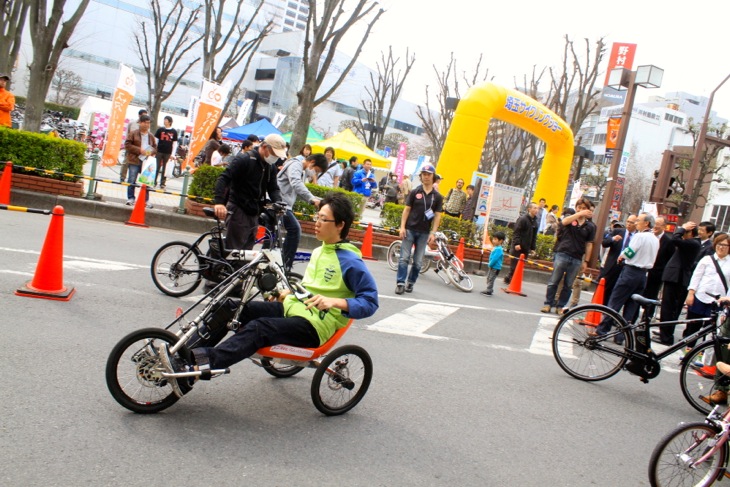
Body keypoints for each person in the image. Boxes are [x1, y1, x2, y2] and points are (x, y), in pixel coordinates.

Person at [157, 193, 379, 394]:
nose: (316, 222)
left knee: (258, 328)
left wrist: (334, 302)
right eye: (317, 216)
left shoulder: (350, 261)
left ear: (340, 225)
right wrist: (285, 294)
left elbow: (370, 302)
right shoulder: (320, 250)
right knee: (229, 307)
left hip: (315, 326)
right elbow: (309, 289)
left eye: (323, 219)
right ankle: (183, 355)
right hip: (294, 309)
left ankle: (198, 365)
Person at [592, 213, 660, 343]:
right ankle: (621, 336)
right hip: (643, 274)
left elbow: (630, 251)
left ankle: (602, 330)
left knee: (615, 301)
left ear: (646, 223)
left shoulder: (640, 236)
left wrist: (622, 256)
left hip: (631, 271)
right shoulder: (655, 239)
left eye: (639, 221)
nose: (636, 223)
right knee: (631, 305)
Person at [213, 134, 287, 250]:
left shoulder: (270, 167)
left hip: (254, 212)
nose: (275, 158)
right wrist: (219, 202)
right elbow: (224, 178)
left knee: (247, 251)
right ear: (264, 147)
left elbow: (273, 188)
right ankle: (218, 267)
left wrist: (279, 202)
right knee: (235, 251)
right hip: (238, 208)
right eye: (274, 154)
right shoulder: (245, 159)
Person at [541, 197, 596, 314]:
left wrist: (586, 261)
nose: (581, 210)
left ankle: (560, 306)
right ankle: (548, 304)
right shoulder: (570, 219)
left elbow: (589, 244)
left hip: (577, 257)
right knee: (554, 280)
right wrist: (579, 214)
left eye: (584, 208)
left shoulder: (590, 226)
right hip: (563, 253)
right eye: (579, 207)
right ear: (576, 208)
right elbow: (564, 222)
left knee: (568, 284)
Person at [395, 164, 443, 295]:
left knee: (418, 262)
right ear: (421, 176)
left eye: (429, 174)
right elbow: (406, 210)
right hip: (410, 229)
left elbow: (437, 216)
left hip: (424, 232)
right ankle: (400, 283)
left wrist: (433, 232)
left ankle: (410, 282)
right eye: (424, 174)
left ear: (433, 177)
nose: (426, 176)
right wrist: (402, 227)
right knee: (404, 258)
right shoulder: (415, 192)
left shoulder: (437, 197)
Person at [276, 153, 328, 271]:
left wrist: (317, 200)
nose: (314, 173)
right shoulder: (296, 165)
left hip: (282, 205)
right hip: (279, 205)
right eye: (316, 170)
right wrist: (312, 199)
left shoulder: (301, 170)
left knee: (273, 238)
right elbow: (296, 184)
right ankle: (285, 265)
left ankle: (275, 265)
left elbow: (298, 191)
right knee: (295, 230)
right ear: (312, 162)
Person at [656, 222, 701, 345]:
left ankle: (666, 336)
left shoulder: (693, 242)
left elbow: (674, 240)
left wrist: (682, 228)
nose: (682, 235)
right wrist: (682, 229)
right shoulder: (691, 243)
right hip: (675, 277)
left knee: (669, 308)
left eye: (685, 233)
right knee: (668, 307)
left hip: (677, 278)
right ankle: (664, 333)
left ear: (690, 233)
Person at [598, 215, 637, 305]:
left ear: (636, 223)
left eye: (632, 222)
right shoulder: (618, 231)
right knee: (605, 289)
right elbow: (604, 243)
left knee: (617, 293)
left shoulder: (638, 236)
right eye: (628, 221)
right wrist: (612, 239)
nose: (629, 224)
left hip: (626, 267)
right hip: (612, 266)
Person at [123, 114, 156, 207]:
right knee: (132, 180)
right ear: (140, 123)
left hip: (146, 161)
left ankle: (145, 200)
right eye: (145, 123)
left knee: (146, 181)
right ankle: (131, 198)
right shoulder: (133, 133)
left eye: (148, 123)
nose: (147, 125)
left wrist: (149, 152)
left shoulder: (151, 136)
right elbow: (127, 145)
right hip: (134, 160)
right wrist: (139, 150)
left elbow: (155, 147)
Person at [503, 202, 539, 285]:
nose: (536, 210)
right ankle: (510, 279)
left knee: (520, 265)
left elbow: (534, 236)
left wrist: (533, 248)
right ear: (529, 209)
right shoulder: (523, 219)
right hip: (518, 246)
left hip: (526, 247)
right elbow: (516, 232)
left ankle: (509, 278)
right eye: (534, 208)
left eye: (537, 208)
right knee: (514, 264)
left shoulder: (535, 222)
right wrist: (516, 243)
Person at [121, 108, 148, 182]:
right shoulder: (132, 123)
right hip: (131, 145)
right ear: (139, 115)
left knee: (137, 163)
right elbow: (127, 133)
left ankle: (133, 179)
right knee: (126, 161)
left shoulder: (146, 126)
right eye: (143, 115)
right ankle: (122, 177)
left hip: (140, 148)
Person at [153, 115, 178, 188]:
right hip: (159, 151)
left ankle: (162, 183)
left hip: (168, 152)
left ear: (170, 122)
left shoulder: (174, 132)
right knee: (156, 167)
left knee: (165, 168)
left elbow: (174, 143)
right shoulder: (160, 130)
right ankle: (154, 181)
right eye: (164, 120)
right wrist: (154, 149)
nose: (164, 121)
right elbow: (156, 140)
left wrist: (173, 154)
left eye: (166, 120)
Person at [480, 232, 505, 296]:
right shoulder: (496, 248)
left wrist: (490, 264)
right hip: (492, 266)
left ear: (501, 241)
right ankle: (490, 289)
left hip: (495, 267)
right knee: (488, 278)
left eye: (495, 239)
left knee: (491, 279)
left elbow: (495, 258)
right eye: (493, 239)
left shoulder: (499, 249)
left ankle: (489, 290)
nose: (493, 241)